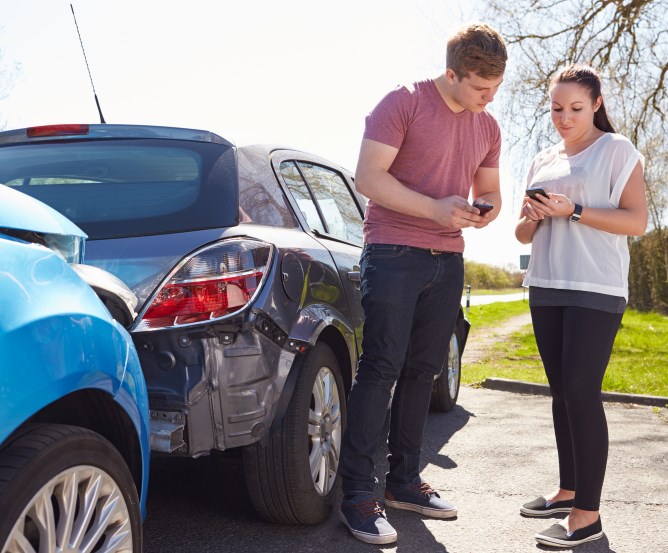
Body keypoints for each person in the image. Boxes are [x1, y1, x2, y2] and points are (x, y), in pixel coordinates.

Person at [337, 23, 507, 545]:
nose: (487, 99)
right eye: (480, 88)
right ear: (452, 73)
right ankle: (358, 496)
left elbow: (491, 191)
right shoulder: (402, 103)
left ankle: (405, 483)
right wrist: (435, 208)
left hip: (448, 259)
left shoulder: (487, 126)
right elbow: (369, 178)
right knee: (382, 366)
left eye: (495, 90)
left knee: (424, 371)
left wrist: (485, 213)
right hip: (393, 251)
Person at [516, 64, 647, 548]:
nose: (564, 118)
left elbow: (636, 222)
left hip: (596, 287)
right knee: (560, 391)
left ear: (595, 104)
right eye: (556, 109)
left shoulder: (617, 150)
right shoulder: (542, 158)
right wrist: (534, 217)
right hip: (545, 283)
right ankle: (568, 491)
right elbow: (521, 233)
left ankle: (587, 516)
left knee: (580, 388)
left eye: (574, 108)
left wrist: (571, 210)